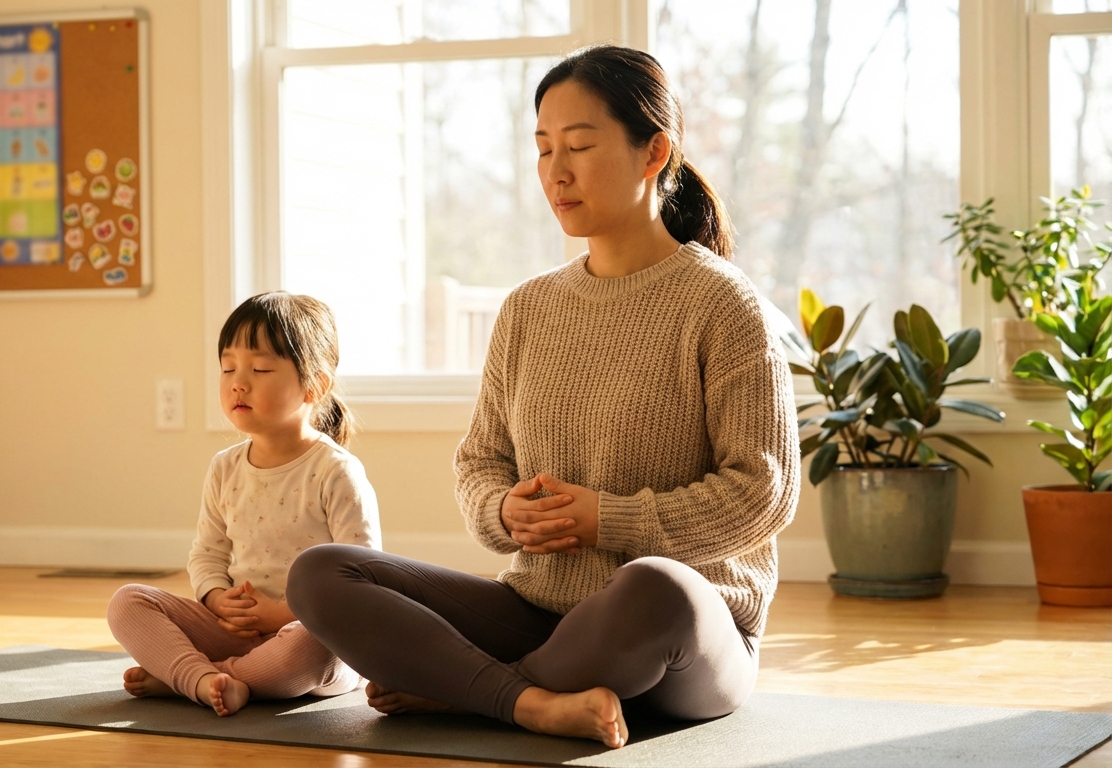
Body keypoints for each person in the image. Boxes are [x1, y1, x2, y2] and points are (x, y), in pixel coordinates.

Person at [286, 44, 799, 749]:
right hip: (539, 606)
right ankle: (532, 700)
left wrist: (605, 520)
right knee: (321, 572)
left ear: (655, 153)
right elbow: (478, 465)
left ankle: (473, 692)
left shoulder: (724, 306)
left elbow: (762, 495)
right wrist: (503, 509)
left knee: (662, 588)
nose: (556, 172)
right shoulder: (528, 309)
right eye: (543, 149)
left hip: (687, 634)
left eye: (580, 146)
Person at [107, 292, 380, 716]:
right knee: (128, 601)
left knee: (311, 648)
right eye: (229, 367)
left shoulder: (335, 471)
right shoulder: (224, 468)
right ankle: (207, 679)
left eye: (260, 368)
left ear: (315, 385)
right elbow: (207, 554)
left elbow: (361, 579)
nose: (238, 381)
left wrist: (282, 614)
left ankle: (190, 678)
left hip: (309, 635)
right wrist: (216, 598)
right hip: (233, 628)